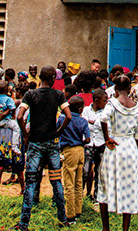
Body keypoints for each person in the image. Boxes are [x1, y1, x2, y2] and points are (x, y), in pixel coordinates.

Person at [17, 65, 71, 230]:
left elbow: (19, 116)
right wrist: (58, 133)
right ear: (53, 78)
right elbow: (68, 116)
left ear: (39, 77)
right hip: (52, 144)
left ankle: (24, 223)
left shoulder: (30, 94)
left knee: (31, 182)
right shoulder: (58, 95)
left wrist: (26, 136)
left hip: (35, 143)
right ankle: (63, 219)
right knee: (57, 182)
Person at [97, 74, 138, 231]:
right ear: (130, 89)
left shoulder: (112, 103)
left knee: (104, 185)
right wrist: (137, 154)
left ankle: (106, 227)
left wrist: (107, 138)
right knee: (128, 187)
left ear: (116, 89)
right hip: (130, 146)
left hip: (115, 146)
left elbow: (103, 118)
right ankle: (125, 228)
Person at [59, 95, 90, 224]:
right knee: (78, 181)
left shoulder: (62, 119)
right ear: (80, 109)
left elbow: (57, 131)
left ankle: (70, 214)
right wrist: (81, 142)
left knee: (68, 182)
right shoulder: (83, 121)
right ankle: (78, 210)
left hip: (68, 150)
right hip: (80, 150)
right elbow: (88, 139)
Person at [0, 80, 20, 194]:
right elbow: (12, 109)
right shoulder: (9, 100)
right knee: (16, 161)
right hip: (8, 129)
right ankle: (23, 188)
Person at [83, 88, 108, 200]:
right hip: (88, 145)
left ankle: (97, 197)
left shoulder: (106, 112)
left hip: (100, 144)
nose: (106, 102)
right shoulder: (85, 110)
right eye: (104, 100)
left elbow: (103, 126)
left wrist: (93, 123)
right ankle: (82, 195)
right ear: (96, 100)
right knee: (85, 171)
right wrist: (97, 124)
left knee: (99, 171)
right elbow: (84, 125)